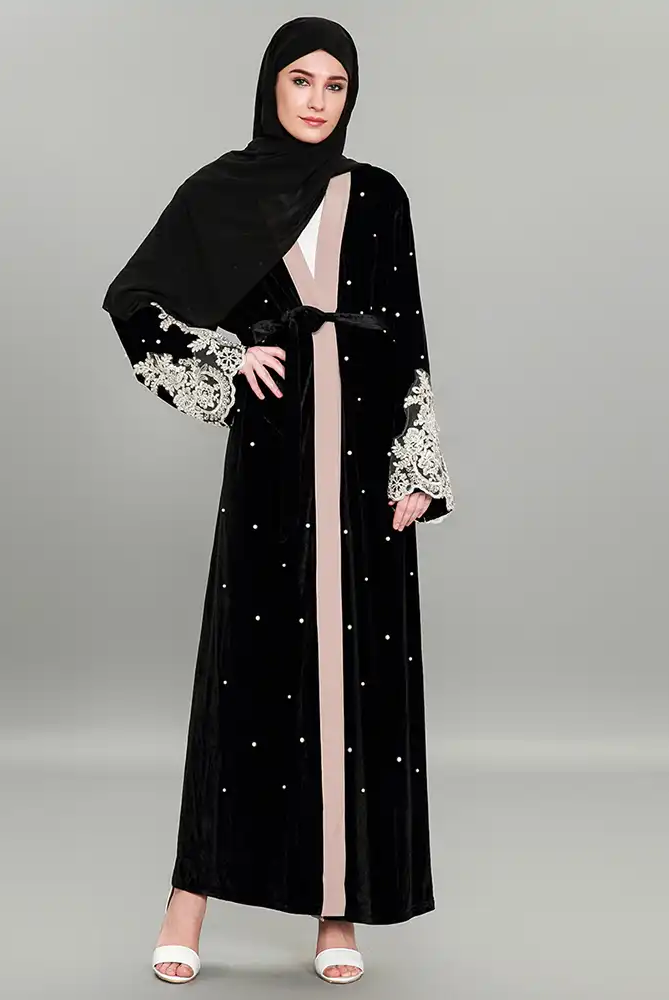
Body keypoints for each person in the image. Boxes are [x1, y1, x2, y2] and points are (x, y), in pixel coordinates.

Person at [102, 15, 455, 986]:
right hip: (273, 459)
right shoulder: (221, 192)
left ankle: (337, 913)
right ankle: (187, 900)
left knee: (357, 685)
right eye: (300, 79)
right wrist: (227, 359)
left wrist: (417, 464)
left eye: (334, 85)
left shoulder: (379, 196)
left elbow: (407, 331)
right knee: (245, 679)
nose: (315, 99)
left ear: (350, 98)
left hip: (366, 456)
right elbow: (135, 302)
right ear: (270, 85)